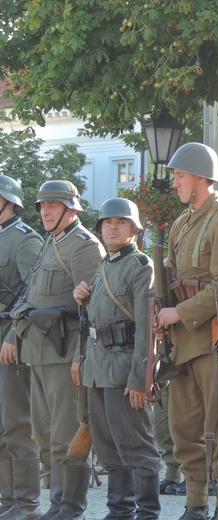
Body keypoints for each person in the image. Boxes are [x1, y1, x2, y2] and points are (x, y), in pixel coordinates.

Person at [155, 142, 218, 520]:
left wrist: (180, 313)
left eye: (180, 176)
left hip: (213, 335)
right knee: (183, 427)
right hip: (182, 339)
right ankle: (194, 502)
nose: (175, 182)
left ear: (201, 178)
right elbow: (172, 277)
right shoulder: (182, 222)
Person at [9, 180, 105, 520]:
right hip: (38, 353)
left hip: (66, 355)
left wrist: (82, 357)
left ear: (71, 208)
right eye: (42, 206)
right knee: (46, 436)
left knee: (67, 436)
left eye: (52, 205)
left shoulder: (83, 247)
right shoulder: (51, 244)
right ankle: (56, 504)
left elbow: (93, 309)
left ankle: (71, 507)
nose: (45, 211)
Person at [72, 198, 160, 518]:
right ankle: (119, 510)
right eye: (107, 222)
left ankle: (147, 512)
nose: (111, 226)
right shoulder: (104, 266)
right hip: (97, 367)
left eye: (120, 222)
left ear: (134, 230)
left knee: (135, 444)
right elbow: (96, 321)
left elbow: (147, 329)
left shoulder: (140, 266)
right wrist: (83, 298)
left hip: (125, 370)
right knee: (108, 445)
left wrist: (141, 378)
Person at [0, 175, 43, 519]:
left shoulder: (24, 240)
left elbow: (34, 293)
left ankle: (26, 504)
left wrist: (15, 334)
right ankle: (7, 499)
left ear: (9, 202)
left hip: (9, 337)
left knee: (16, 422)